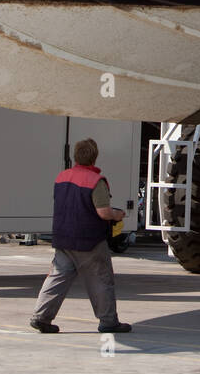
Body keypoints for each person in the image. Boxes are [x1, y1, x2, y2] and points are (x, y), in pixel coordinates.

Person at [29, 138, 131, 334]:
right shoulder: (95, 181)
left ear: (75, 156)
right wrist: (117, 214)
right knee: (101, 279)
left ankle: (41, 316)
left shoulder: (61, 177)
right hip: (89, 240)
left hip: (63, 237)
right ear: (94, 158)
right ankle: (108, 321)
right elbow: (103, 212)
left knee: (57, 277)